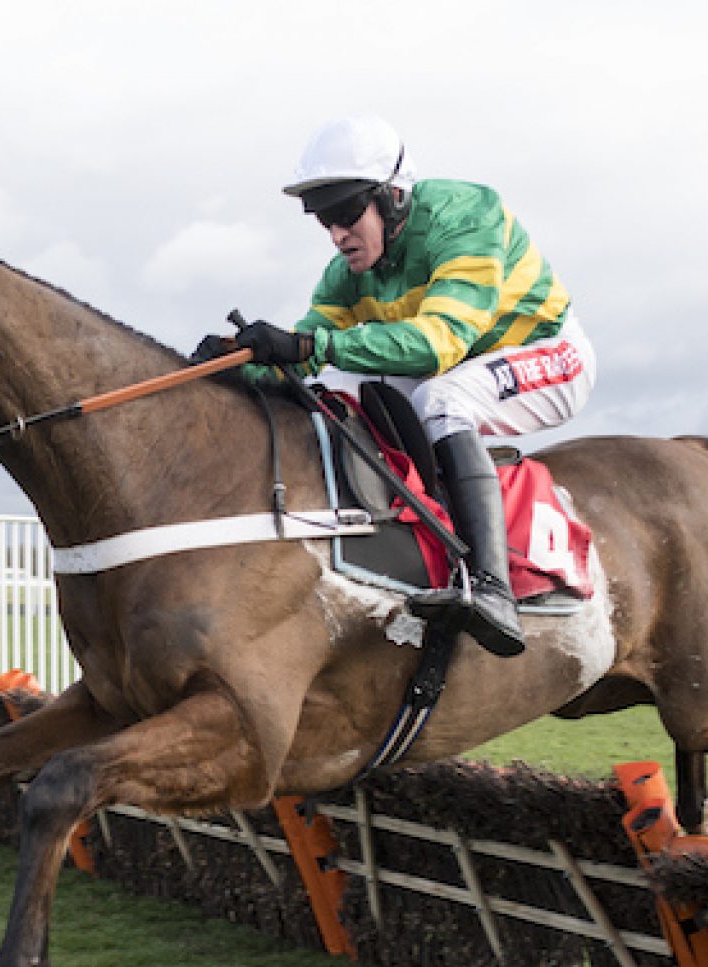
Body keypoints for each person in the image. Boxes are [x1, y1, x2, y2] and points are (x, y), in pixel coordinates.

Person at [217, 115, 596, 658]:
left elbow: (440, 342)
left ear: (394, 198)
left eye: (346, 213)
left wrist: (309, 347)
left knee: (440, 399)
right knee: (350, 390)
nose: (336, 233)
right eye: (322, 217)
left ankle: (492, 589)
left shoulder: (467, 216)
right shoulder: (346, 273)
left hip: (546, 354)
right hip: (460, 365)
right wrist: (239, 361)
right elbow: (301, 355)